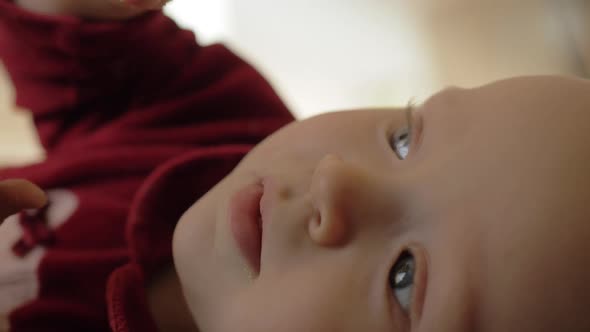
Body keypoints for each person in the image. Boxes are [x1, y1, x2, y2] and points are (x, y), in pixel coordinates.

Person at [2, 4, 590, 332]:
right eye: (406, 139)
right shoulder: (221, 121)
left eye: (404, 279)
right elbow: (82, 60)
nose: (338, 180)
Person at [0, 0, 293, 331]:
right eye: (368, 138)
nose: (334, 182)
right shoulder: (246, 138)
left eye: (367, 286)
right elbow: (74, 62)